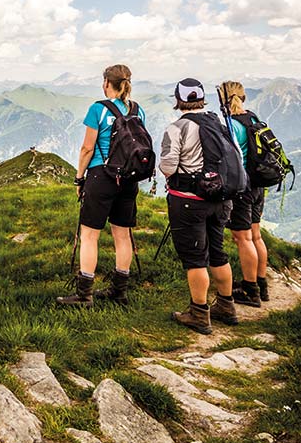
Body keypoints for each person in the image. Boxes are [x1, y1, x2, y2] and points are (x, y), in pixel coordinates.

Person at [57, 64, 141, 307]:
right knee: (122, 235)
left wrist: (79, 177)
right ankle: (119, 291)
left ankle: (84, 294)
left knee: (90, 235)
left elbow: (87, 148)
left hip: (101, 177)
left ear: (107, 83)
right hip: (128, 179)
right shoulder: (138, 110)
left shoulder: (98, 109)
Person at [158, 78, 238, 334]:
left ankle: (199, 314)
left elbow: (168, 166)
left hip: (189, 201)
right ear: (201, 98)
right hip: (221, 198)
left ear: (178, 99)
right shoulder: (218, 122)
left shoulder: (177, 128)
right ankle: (226, 306)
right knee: (217, 252)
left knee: (195, 259)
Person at [220, 81, 270, 305]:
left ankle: (250, 291)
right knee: (256, 235)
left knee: (242, 237)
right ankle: (261, 284)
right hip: (259, 184)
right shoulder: (252, 118)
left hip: (243, 188)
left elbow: (226, 157)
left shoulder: (231, 125)